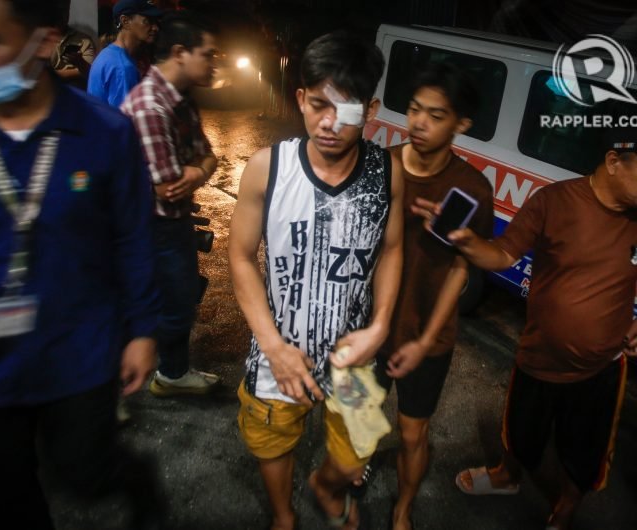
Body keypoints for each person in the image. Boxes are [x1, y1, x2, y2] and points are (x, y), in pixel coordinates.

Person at [0, 1, 162, 528]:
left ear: (45, 41)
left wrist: (143, 329)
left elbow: (132, 236)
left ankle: (132, 479)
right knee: (3, 500)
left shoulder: (105, 134)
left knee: (83, 471)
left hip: (78, 351)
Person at [415, 130, 637, 530]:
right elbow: (502, 253)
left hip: (604, 369)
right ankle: (507, 476)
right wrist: (467, 242)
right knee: (520, 433)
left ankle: (565, 512)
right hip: (539, 357)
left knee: (585, 455)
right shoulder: (555, 201)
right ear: (615, 160)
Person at [229, 31, 404, 530]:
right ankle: (284, 516)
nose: (329, 123)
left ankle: (325, 488)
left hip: (353, 359)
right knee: (272, 442)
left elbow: (392, 248)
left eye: (346, 110)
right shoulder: (268, 168)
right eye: (318, 104)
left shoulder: (387, 171)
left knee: (357, 449)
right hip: (277, 352)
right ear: (301, 98)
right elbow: (240, 257)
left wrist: (381, 325)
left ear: (369, 110)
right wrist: (274, 346)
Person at [379, 63, 494, 530]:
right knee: (356, 421)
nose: (418, 123)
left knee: (411, 433)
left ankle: (403, 507)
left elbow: (460, 272)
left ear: (461, 124)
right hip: (368, 326)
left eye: (436, 115)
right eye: (413, 110)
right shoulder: (380, 165)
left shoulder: (471, 189)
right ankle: (351, 472)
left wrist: (425, 341)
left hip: (426, 335)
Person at [121, 11, 221, 395]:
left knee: (181, 296)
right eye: (207, 54)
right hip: (149, 223)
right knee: (162, 302)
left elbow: (208, 157)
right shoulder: (150, 106)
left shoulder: (180, 99)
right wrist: (197, 170)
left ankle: (172, 373)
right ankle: (126, 383)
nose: (213, 63)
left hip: (171, 220)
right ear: (180, 52)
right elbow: (167, 186)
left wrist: (197, 173)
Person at [87, 0, 160, 107]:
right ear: (125, 21)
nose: (155, 28)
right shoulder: (123, 67)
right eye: (147, 21)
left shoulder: (109, 53)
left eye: (156, 22)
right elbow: (123, 118)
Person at [50, 3, 96, 90]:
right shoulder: (40, 38)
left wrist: (81, 63)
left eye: (66, 11)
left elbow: (91, 71)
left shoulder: (84, 40)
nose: (63, 16)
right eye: (59, 11)